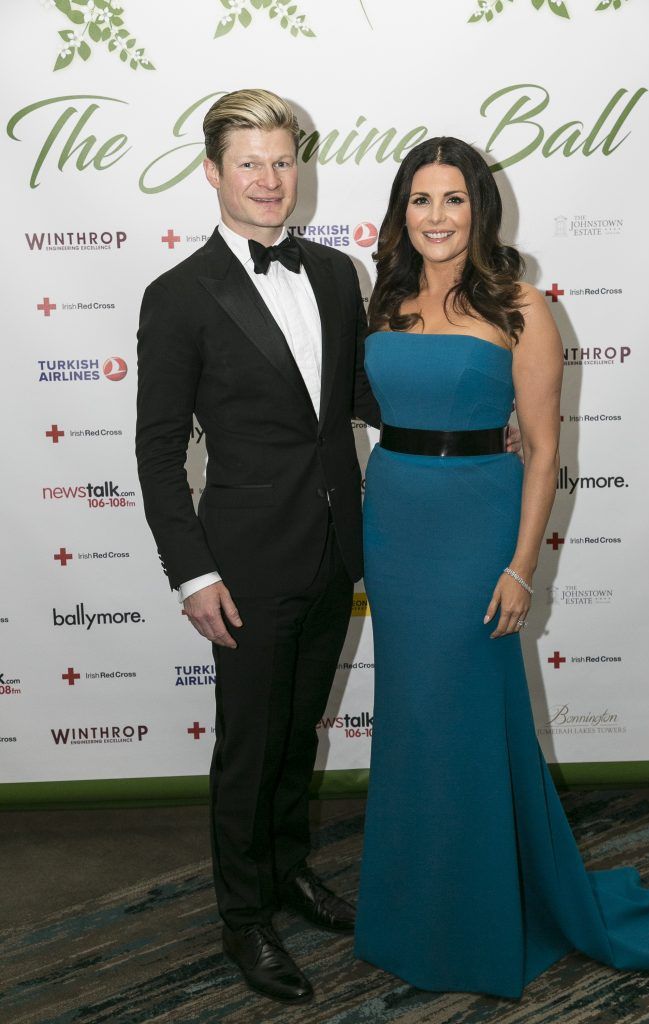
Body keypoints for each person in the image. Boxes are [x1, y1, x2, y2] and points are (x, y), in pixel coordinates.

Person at [354, 137, 649, 996]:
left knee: (464, 718)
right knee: (410, 722)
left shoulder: (519, 304)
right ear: (403, 209)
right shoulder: (383, 299)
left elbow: (542, 452)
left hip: (477, 526)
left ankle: (476, 920)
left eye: (454, 200)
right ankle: (410, 911)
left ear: (481, 209)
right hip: (394, 520)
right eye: (422, 200)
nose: (437, 217)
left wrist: (519, 568)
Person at [135, 88, 382, 1005]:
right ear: (213, 172)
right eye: (250, 163)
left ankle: (286, 872)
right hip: (240, 563)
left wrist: (466, 418)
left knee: (297, 733)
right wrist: (192, 572)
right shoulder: (179, 295)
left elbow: (358, 398)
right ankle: (244, 919)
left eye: (282, 161)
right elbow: (159, 452)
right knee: (249, 746)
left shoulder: (333, 273)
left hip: (334, 545)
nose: (270, 180)